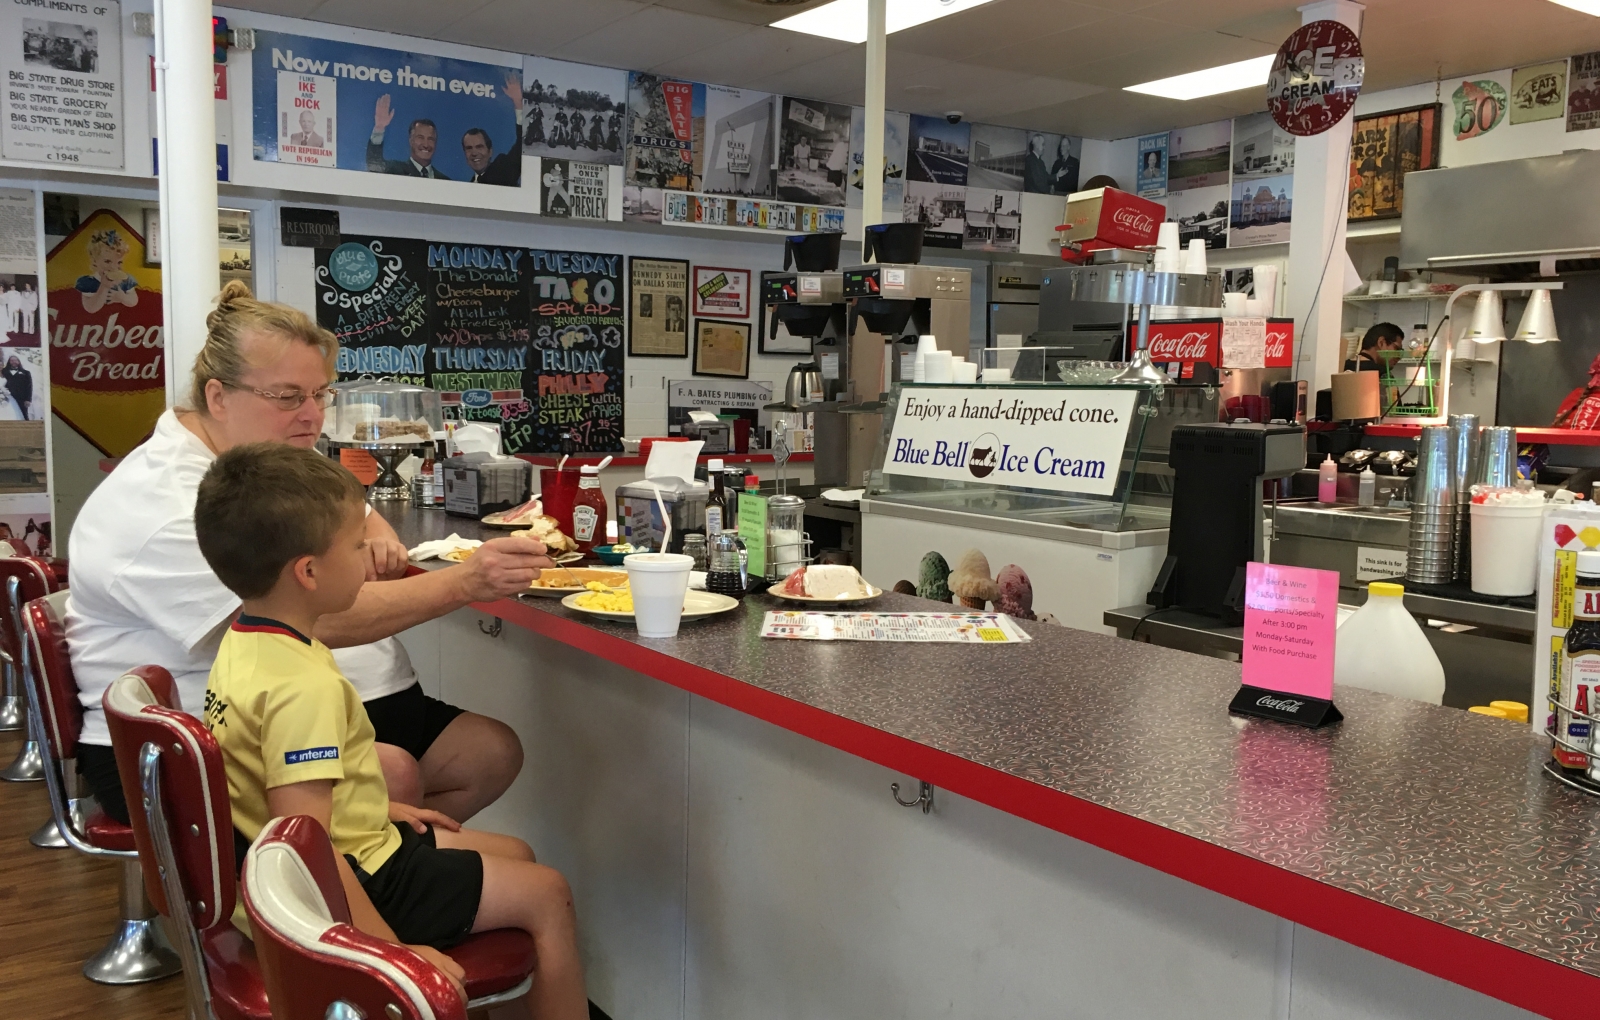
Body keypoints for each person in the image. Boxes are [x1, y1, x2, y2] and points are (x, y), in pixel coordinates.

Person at [67, 281, 546, 827]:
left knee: (487, 753)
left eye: (321, 394)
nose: (312, 417)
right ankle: (332, 891)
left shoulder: (254, 458)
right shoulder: (167, 505)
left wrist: (372, 520)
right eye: (288, 397)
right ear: (218, 396)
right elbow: (291, 617)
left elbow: (343, 495)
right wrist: (464, 583)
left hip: (314, 700)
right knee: (392, 772)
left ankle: (374, 873)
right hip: (192, 741)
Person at [194, 444, 588, 1019]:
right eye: (355, 547)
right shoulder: (304, 688)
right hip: (348, 880)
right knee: (548, 892)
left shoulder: (249, 642)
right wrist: (392, 953)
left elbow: (268, 786)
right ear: (308, 572)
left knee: (516, 854)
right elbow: (309, 845)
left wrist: (378, 807)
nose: (369, 558)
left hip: (300, 862)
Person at [368, 99, 448, 179]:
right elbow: (375, 165)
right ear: (411, 140)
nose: (426, 144)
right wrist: (379, 128)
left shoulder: (445, 181)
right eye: (420, 138)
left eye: (430, 139)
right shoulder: (395, 170)